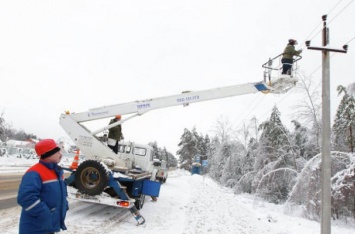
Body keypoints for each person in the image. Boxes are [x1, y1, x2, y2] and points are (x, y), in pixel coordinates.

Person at [17, 139, 68, 234]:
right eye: (57, 152)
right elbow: (26, 198)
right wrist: (46, 214)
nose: (60, 154)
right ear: (49, 155)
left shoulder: (57, 171)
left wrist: (64, 205)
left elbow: (59, 193)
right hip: (35, 229)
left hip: (48, 227)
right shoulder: (34, 173)